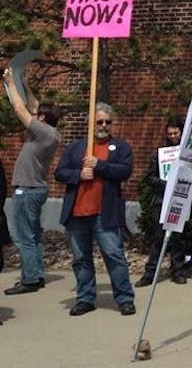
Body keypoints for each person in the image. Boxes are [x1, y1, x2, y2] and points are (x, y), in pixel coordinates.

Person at [54, 102, 136, 316]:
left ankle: (124, 298)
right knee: (81, 259)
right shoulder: (75, 148)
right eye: (99, 121)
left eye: (108, 122)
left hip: (104, 214)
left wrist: (98, 165)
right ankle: (85, 298)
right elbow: (59, 172)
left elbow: (124, 171)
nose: (104, 125)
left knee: (114, 255)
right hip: (77, 214)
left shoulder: (120, 147)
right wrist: (79, 174)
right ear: (92, 123)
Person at [3, 67, 61, 296]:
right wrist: (26, 85)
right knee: (34, 234)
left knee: (23, 235)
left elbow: (19, 108)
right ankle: (36, 274)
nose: (33, 115)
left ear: (43, 119)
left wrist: (10, 83)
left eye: (37, 115)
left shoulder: (44, 133)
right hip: (35, 190)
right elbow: (34, 105)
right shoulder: (51, 132)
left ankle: (29, 279)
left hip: (26, 191)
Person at [136, 117, 190, 287]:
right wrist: (165, 183)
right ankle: (150, 273)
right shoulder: (160, 154)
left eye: (176, 132)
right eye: (170, 133)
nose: (173, 135)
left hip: (180, 199)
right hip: (161, 200)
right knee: (159, 237)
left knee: (177, 237)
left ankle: (178, 271)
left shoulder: (189, 154)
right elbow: (149, 177)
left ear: (182, 132)